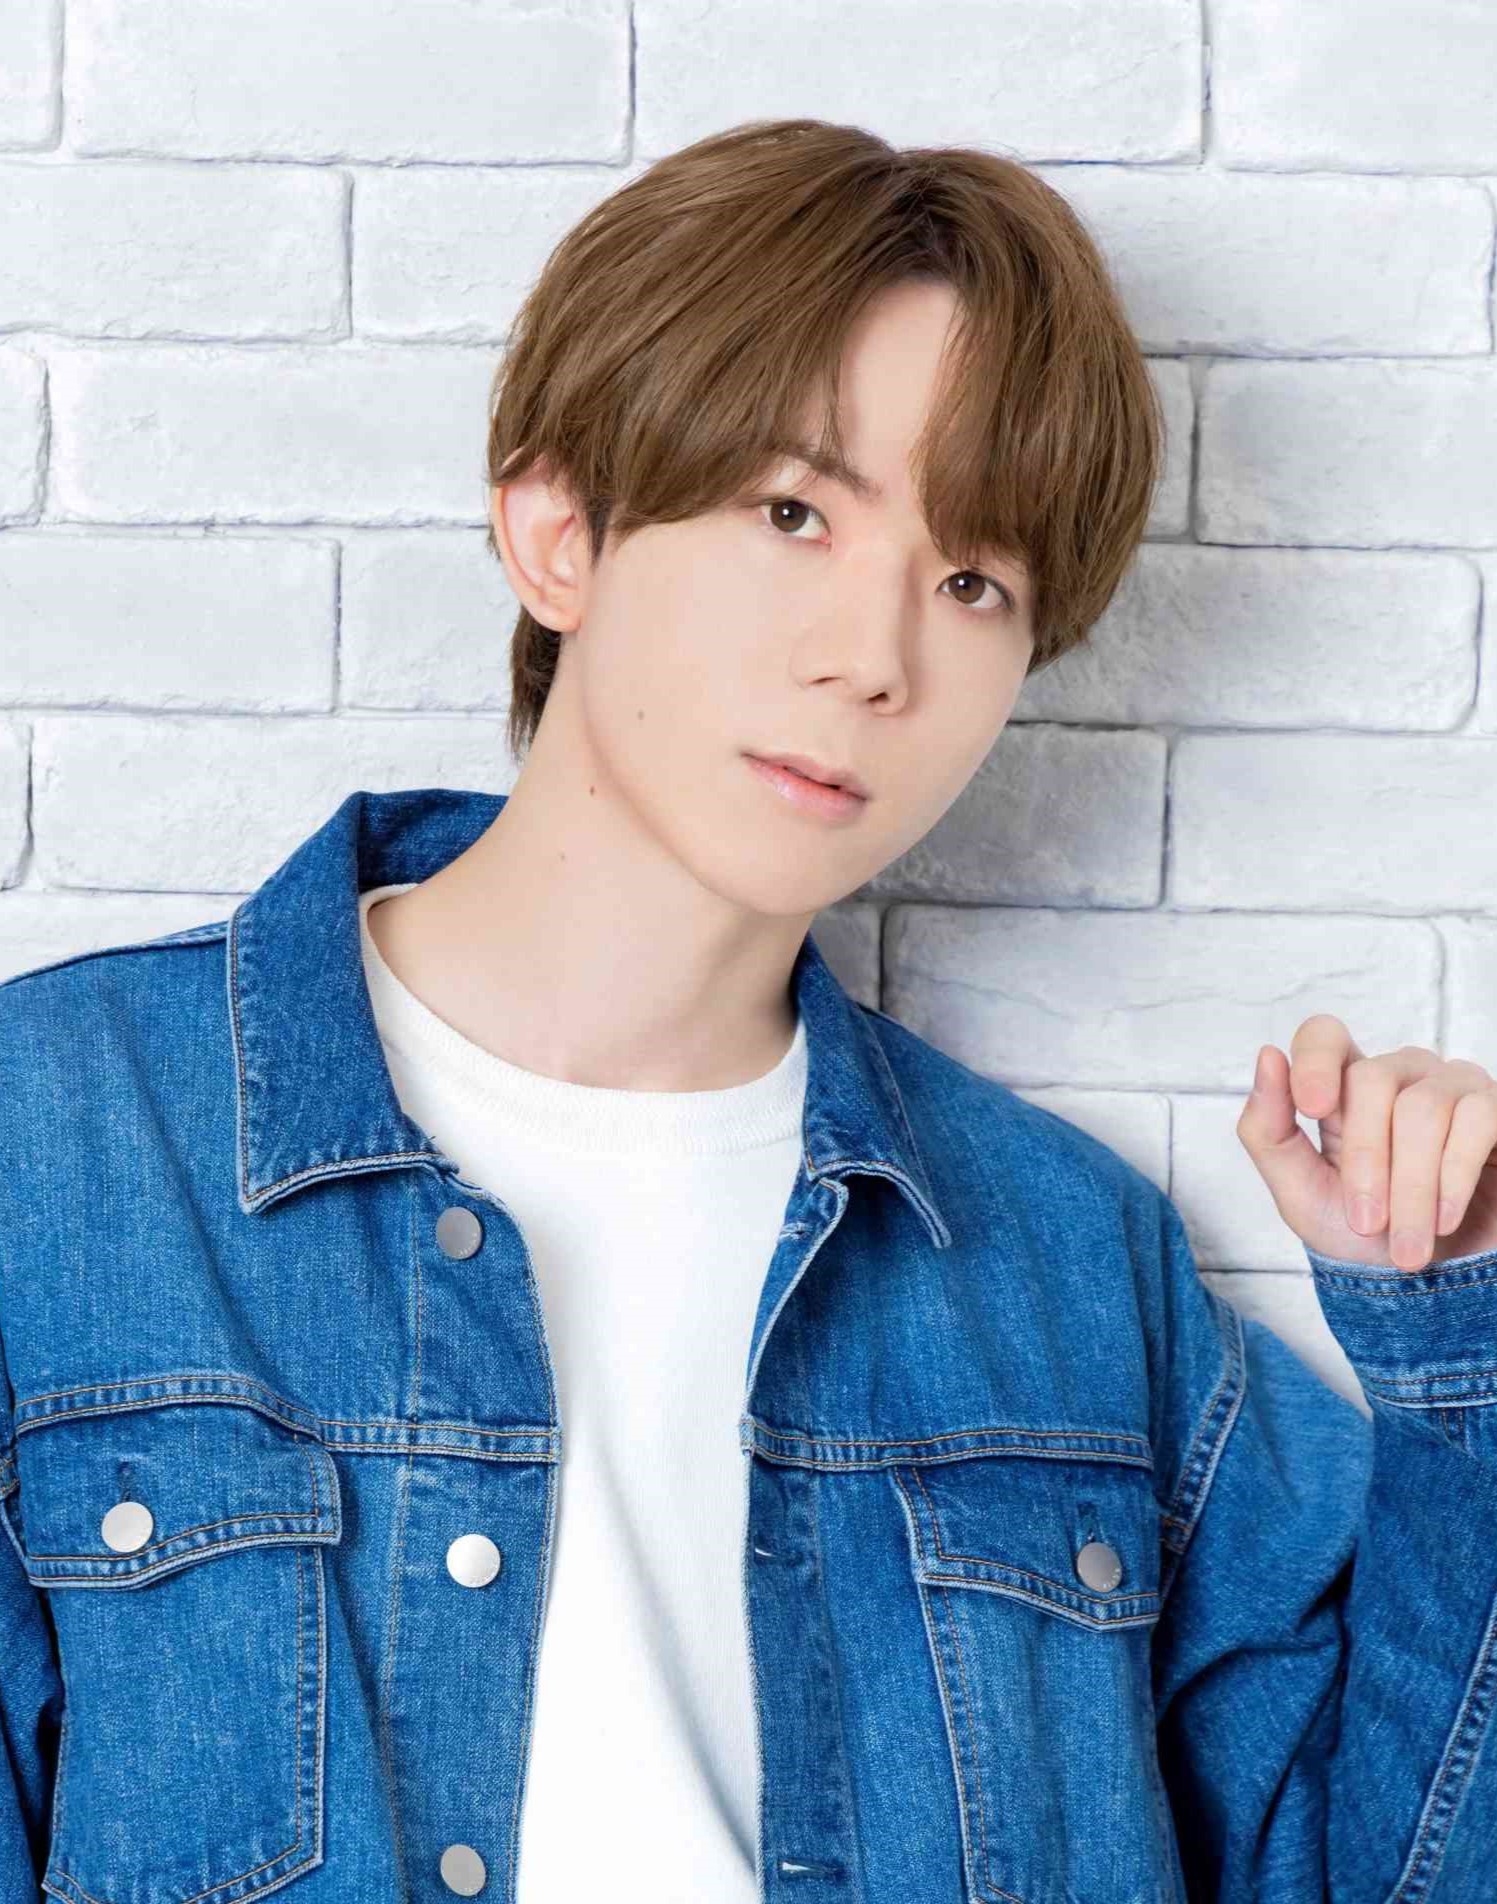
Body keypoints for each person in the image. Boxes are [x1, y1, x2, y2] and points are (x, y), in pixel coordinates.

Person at [1, 116, 1494, 1904]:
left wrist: (1459, 1340)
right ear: (558, 531)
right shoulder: (61, 1142)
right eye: (792, 514)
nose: (874, 657)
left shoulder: (1064, 1265)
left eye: (971, 581)